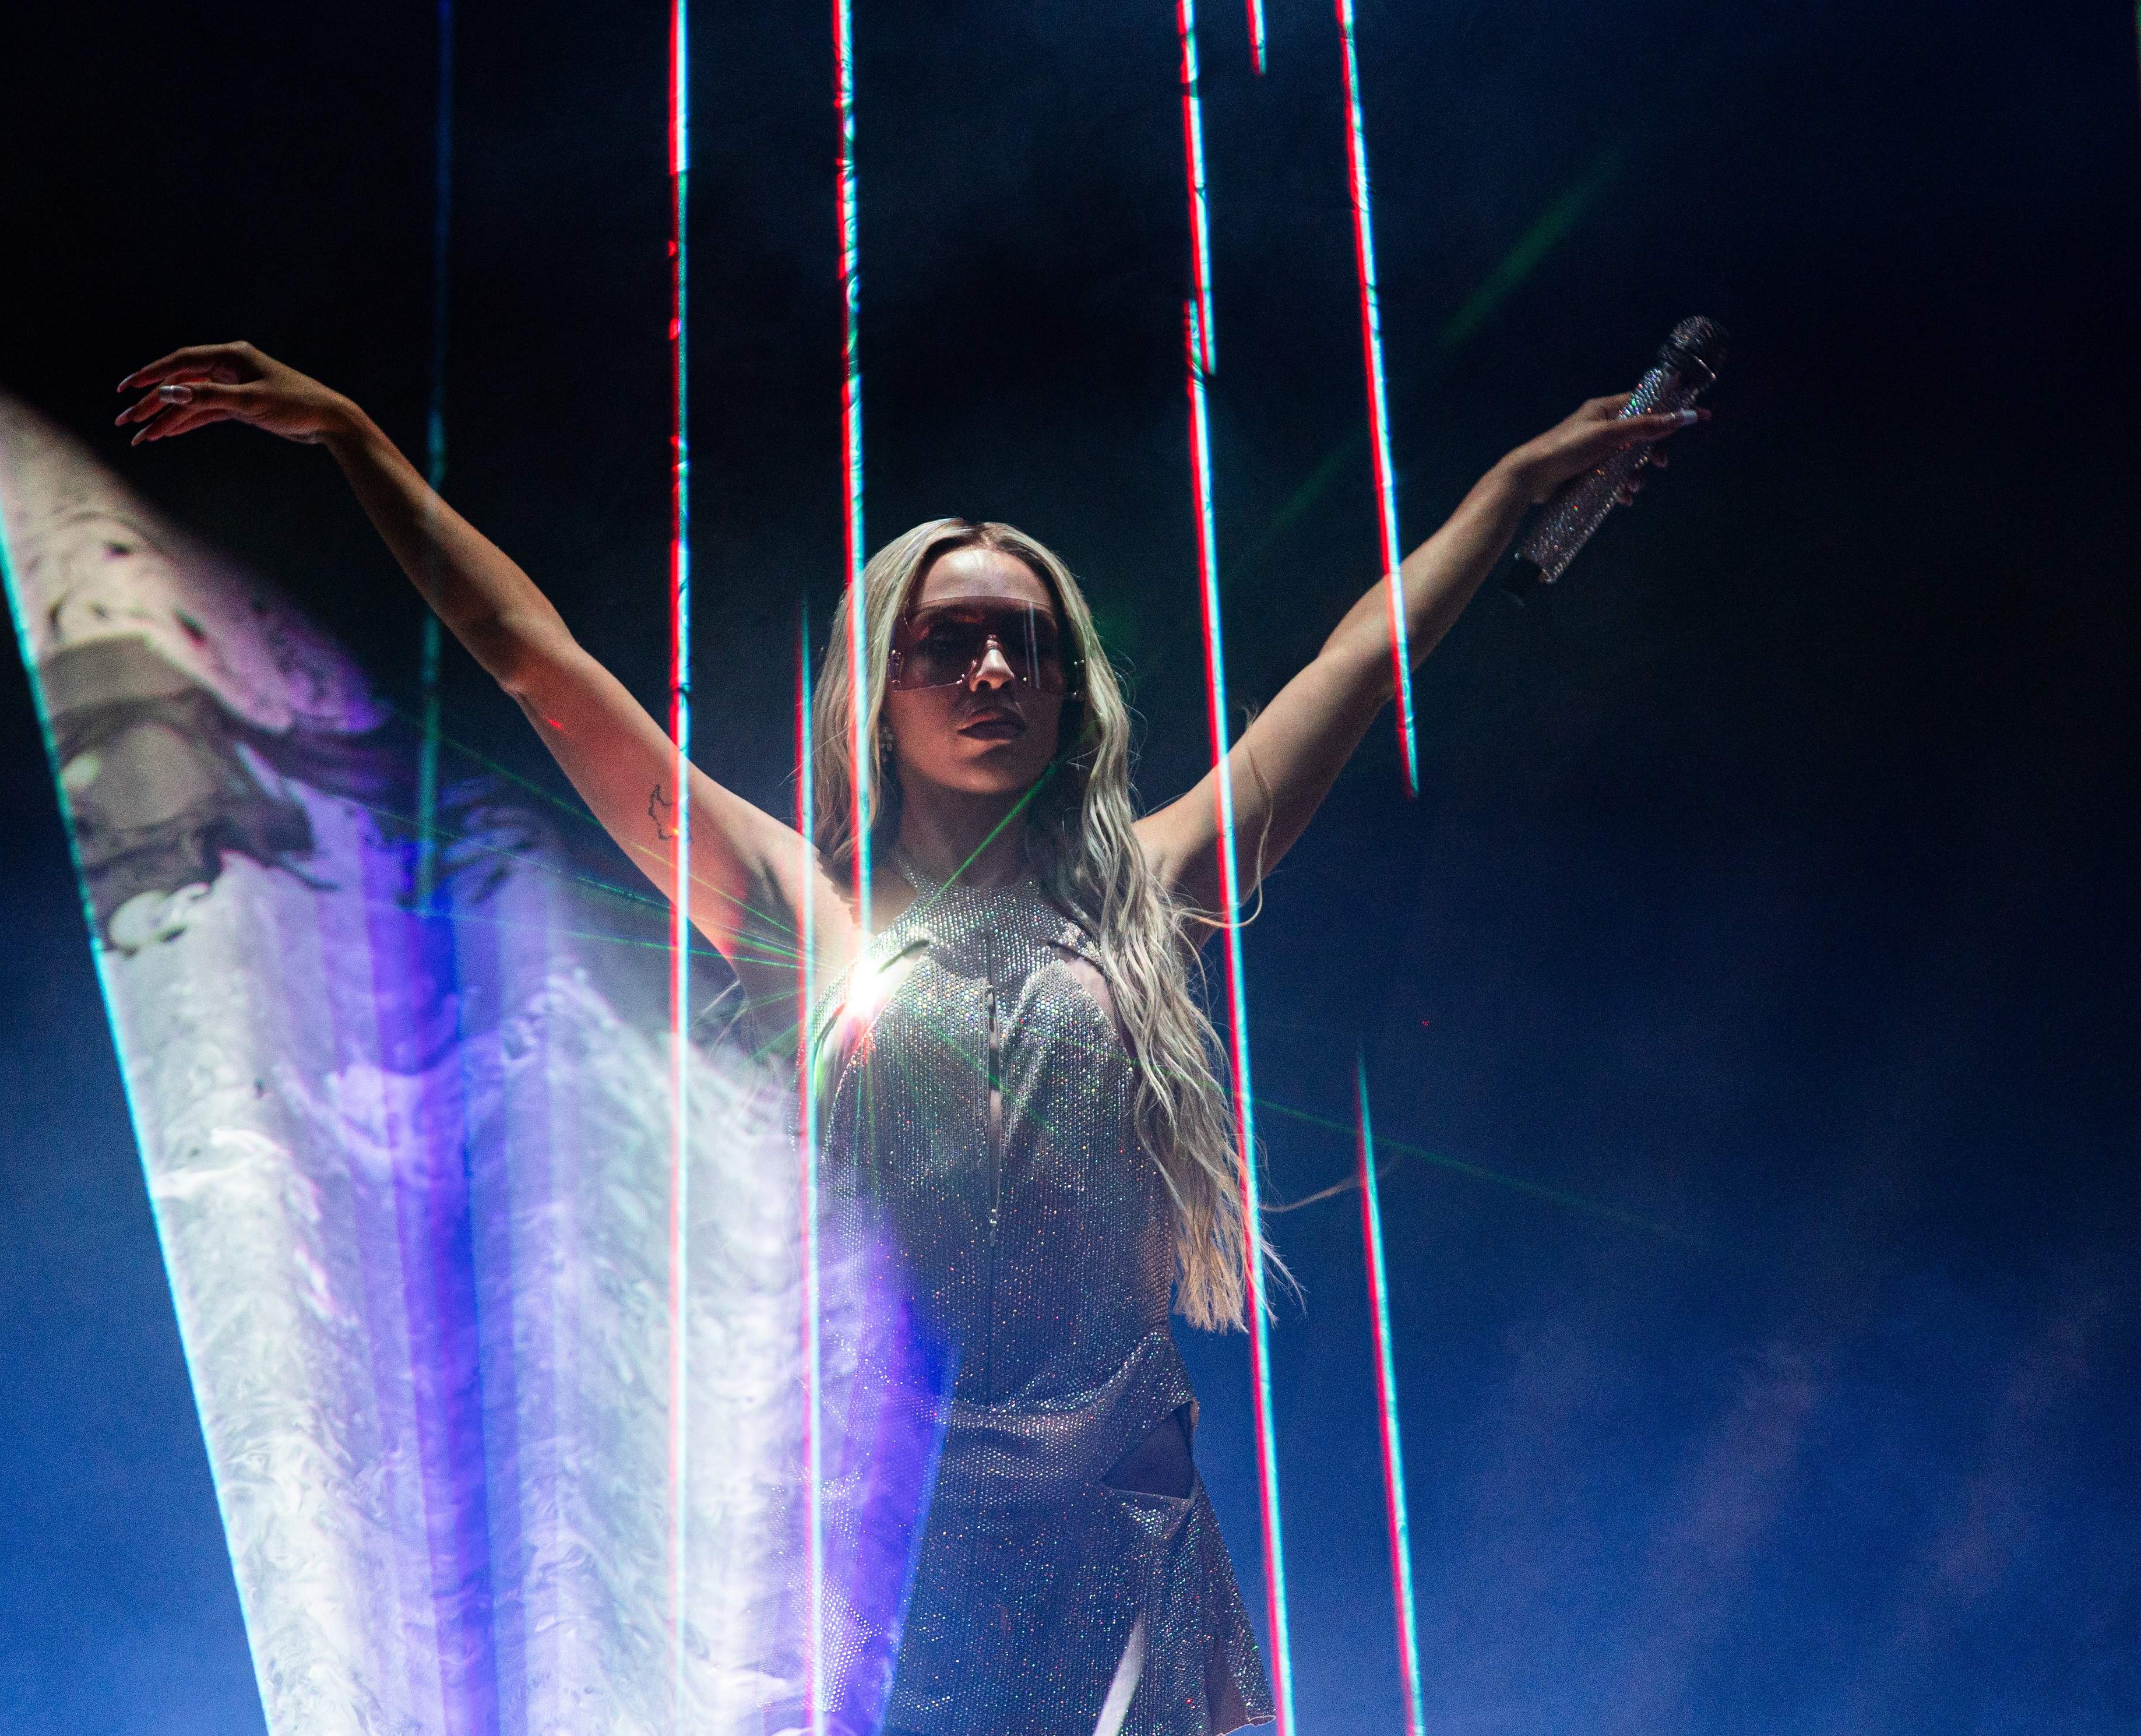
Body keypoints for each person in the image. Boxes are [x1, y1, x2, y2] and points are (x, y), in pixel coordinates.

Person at [115, 340, 1706, 1736]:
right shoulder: (793, 911)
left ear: (1074, 687)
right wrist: (355, 440)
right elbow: (544, 669)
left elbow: (1357, 658)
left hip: (1115, 1533)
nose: (994, 667)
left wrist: (1509, 483)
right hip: (873, 1539)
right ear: (875, 690)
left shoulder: (1150, 887)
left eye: (1024, 639)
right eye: (947, 643)